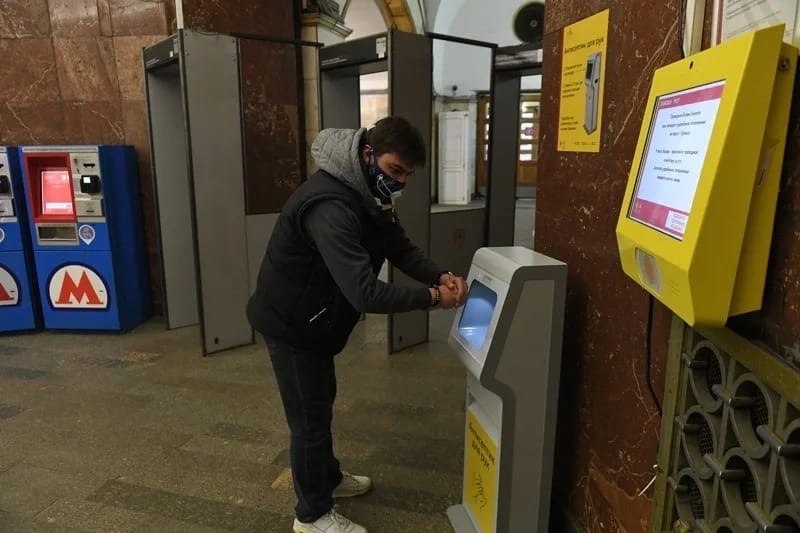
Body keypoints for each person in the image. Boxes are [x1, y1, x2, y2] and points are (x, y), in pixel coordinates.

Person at [247, 116, 468, 533]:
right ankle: (311, 515)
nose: (400, 182)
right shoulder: (330, 206)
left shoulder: (368, 193)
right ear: (368, 154)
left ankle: (327, 478)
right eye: (394, 170)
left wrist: (439, 274)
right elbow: (365, 292)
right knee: (309, 421)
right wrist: (432, 298)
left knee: (320, 402)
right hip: (291, 324)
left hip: (315, 322)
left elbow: (399, 247)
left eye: (407, 175)